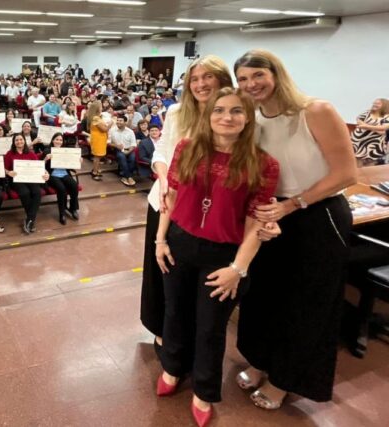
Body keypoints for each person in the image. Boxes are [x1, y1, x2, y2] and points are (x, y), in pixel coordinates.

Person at [233, 49, 357, 409]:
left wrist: (293, 204)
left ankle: (285, 379)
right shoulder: (253, 117)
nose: (250, 84)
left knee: (304, 304)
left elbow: (345, 174)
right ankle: (258, 361)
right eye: (242, 79)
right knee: (262, 295)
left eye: (257, 75)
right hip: (272, 213)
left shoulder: (315, 111)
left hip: (315, 214)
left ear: (277, 74)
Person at [154, 87, 280, 427]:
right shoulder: (188, 147)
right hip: (179, 242)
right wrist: (160, 239)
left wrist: (238, 269)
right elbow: (173, 196)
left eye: (236, 111)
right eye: (219, 110)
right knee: (175, 312)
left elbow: (256, 222)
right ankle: (172, 368)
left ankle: (205, 391)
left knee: (211, 326)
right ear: (208, 117)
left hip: (223, 254)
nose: (227, 117)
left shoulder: (263, 163)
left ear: (248, 118)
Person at [141, 55, 236, 359]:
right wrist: (162, 173)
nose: (200, 84)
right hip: (168, 201)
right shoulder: (177, 111)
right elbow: (163, 150)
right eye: (194, 79)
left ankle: (192, 335)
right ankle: (161, 329)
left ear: (222, 80)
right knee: (163, 269)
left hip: (208, 209)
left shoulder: (232, 114)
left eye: (208, 77)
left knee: (193, 276)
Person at [4, 133, 49, 234]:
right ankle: (31, 219)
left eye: (21, 139)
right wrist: (8, 172)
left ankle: (29, 219)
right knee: (24, 193)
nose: (19, 142)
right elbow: (5, 169)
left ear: (24, 141)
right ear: (14, 142)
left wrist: (46, 173)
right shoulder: (9, 154)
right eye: (17, 140)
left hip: (31, 178)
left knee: (37, 192)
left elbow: (39, 167)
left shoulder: (31, 153)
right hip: (17, 179)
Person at [43, 133, 80, 225]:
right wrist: (45, 159)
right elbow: (40, 165)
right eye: (57, 139)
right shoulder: (47, 150)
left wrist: (78, 161)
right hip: (52, 175)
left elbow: (71, 163)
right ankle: (62, 213)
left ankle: (73, 208)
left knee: (74, 186)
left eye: (60, 140)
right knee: (61, 189)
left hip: (64, 173)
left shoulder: (65, 150)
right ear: (52, 140)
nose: (59, 141)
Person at [351, 98, 389, 166]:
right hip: (359, 142)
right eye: (374, 103)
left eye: (378, 103)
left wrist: (366, 126)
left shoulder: (387, 116)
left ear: (384, 105)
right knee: (357, 163)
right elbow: (359, 120)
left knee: (370, 164)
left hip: (374, 144)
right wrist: (376, 129)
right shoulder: (367, 112)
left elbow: (384, 128)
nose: (375, 104)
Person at [109, 115, 138, 186]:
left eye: (120, 121)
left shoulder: (130, 131)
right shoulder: (112, 130)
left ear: (125, 122)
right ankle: (129, 177)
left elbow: (133, 144)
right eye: (117, 120)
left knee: (133, 157)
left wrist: (128, 151)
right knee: (122, 157)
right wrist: (116, 146)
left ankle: (125, 177)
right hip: (118, 149)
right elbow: (109, 142)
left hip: (129, 149)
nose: (118, 122)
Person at [87, 100, 108, 181]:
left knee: (99, 156)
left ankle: (96, 170)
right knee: (97, 157)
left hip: (100, 139)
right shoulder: (95, 118)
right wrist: (111, 123)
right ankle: (94, 172)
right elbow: (104, 129)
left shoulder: (97, 117)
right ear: (97, 108)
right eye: (101, 106)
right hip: (97, 139)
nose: (102, 108)